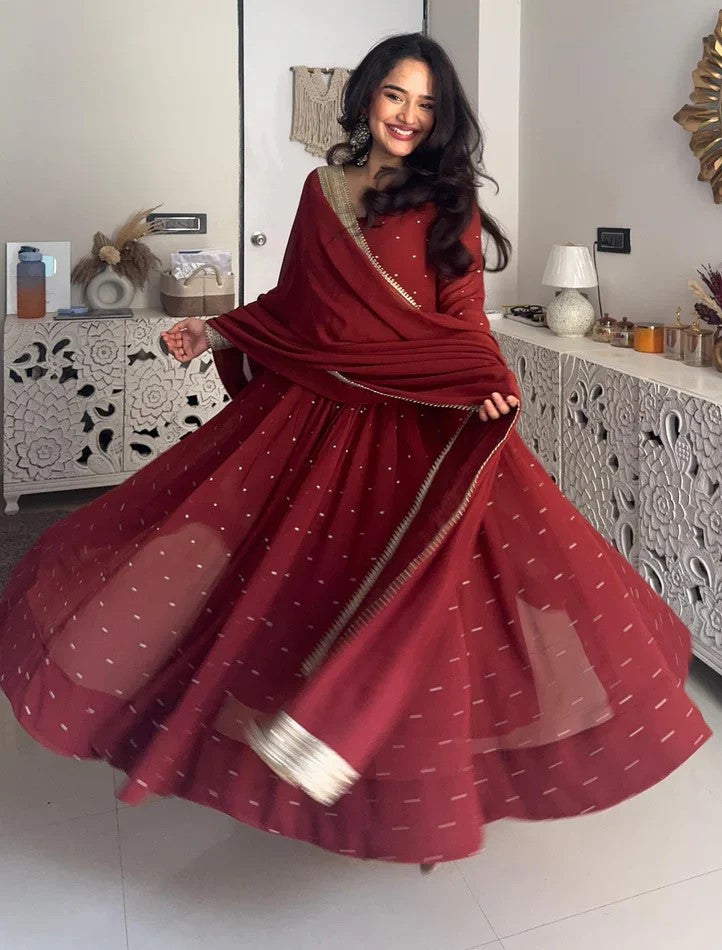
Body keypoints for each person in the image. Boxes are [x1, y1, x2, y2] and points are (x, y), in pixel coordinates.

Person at [0, 34, 709, 874]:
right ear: (367, 97)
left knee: (435, 598)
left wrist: (484, 378)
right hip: (321, 415)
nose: (409, 116)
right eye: (395, 95)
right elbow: (298, 301)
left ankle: (411, 793)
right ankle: (292, 763)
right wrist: (218, 328)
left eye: (427, 105)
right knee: (293, 581)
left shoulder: (447, 202)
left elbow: (461, 314)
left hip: (422, 425)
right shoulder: (323, 190)